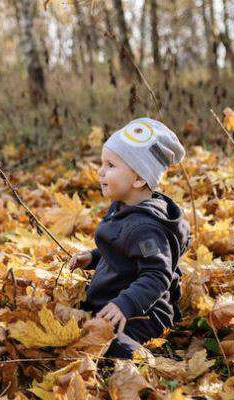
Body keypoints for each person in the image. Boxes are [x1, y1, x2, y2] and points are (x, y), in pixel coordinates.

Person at [70, 117, 191, 359]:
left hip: (143, 313)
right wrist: (93, 257)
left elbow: (157, 274)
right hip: (114, 301)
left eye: (111, 166)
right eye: (102, 163)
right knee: (78, 328)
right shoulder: (122, 206)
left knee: (109, 344)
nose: (101, 171)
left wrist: (126, 304)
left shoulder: (146, 229)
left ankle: (149, 365)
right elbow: (122, 251)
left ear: (138, 179)